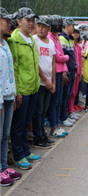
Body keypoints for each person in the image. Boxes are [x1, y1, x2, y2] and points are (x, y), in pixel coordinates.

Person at [8, 7, 42, 170]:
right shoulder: (14, 40)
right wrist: (18, 91)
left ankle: (26, 151)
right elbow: (14, 69)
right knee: (18, 124)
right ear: (18, 21)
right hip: (22, 90)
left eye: (32, 20)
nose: (31, 23)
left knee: (26, 122)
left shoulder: (31, 39)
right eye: (28, 20)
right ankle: (19, 155)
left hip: (33, 88)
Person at [0, 7, 22, 186]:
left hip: (8, 96)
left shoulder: (5, 43)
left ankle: (3, 166)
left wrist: (13, 93)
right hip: (0, 99)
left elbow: (10, 72)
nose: (10, 24)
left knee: (4, 134)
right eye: (6, 20)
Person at [32, 16, 56, 149]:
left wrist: (53, 81)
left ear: (49, 29)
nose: (40, 29)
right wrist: (45, 80)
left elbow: (53, 62)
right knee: (39, 110)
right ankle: (38, 136)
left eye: (44, 27)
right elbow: (36, 62)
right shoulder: (34, 40)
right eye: (39, 26)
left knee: (44, 109)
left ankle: (42, 134)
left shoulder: (50, 42)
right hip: (40, 82)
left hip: (48, 82)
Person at [48, 15, 69, 138]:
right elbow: (58, 57)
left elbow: (62, 56)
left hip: (61, 71)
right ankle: (53, 126)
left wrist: (64, 69)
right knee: (54, 101)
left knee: (58, 100)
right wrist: (66, 58)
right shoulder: (50, 38)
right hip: (54, 72)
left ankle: (56, 124)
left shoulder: (56, 38)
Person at [59, 18, 78, 127]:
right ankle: (62, 117)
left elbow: (72, 56)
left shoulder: (70, 39)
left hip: (72, 71)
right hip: (66, 72)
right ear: (67, 26)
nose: (73, 28)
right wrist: (64, 71)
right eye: (72, 26)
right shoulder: (62, 39)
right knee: (64, 95)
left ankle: (65, 115)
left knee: (68, 94)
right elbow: (63, 58)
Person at [68, 28, 83, 116]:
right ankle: (69, 110)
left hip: (77, 73)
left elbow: (80, 60)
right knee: (70, 92)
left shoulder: (78, 47)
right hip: (71, 71)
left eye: (77, 33)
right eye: (74, 33)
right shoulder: (70, 45)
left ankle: (72, 109)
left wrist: (80, 72)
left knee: (75, 92)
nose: (75, 35)